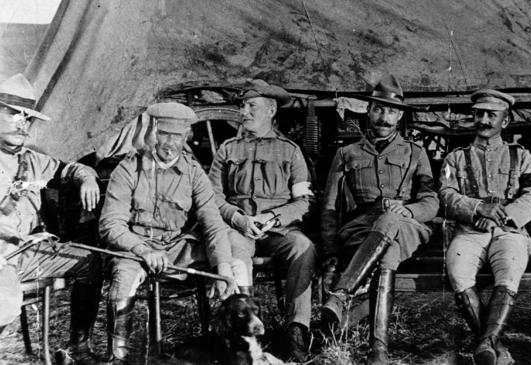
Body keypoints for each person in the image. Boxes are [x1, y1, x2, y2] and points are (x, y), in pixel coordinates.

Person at [99, 102, 241, 364]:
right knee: (124, 276)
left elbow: (212, 222)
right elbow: (111, 224)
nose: (171, 143)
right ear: (153, 132)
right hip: (136, 250)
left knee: (230, 257)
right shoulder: (128, 168)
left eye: (178, 136)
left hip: (176, 248)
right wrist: (143, 250)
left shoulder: (193, 171)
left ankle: (236, 348)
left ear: (187, 135)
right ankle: (117, 356)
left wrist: (223, 267)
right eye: (165, 134)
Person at [320, 75, 438, 365]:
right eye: (378, 109)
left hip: (409, 226)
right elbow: (329, 207)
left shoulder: (415, 153)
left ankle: (341, 295)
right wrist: (332, 253)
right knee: (390, 253)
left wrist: (408, 211)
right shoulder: (346, 153)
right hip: (361, 230)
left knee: (391, 221)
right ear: (368, 111)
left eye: (391, 111)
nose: (384, 118)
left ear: (399, 116)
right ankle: (378, 351)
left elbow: (431, 200)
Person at [208, 79, 317, 362]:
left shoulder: (290, 151)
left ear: (270, 110)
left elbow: (303, 200)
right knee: (233, 249)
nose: (243, 111)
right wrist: (239, 219)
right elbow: (213, 198)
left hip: (279, 229)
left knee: (304, 248)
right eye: (242, 105)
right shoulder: (227, 150)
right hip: (239, 228)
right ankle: (247, 335)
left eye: (251, 106)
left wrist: (272, 217)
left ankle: (296, 331)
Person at [0, 74, 103, 365]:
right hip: (1, 256)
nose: (22, 123)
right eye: (13, 114)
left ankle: (79, 349)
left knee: (89, 260)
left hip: (27, 253)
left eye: (27, 118)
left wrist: (87, 177)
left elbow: (68, 168)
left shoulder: (32, 160)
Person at [439, 89, 531, 365]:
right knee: (457, 271)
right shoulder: (455, 159)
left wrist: (502, 216)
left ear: (505, 121)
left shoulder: (520, 156)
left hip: (508, 231)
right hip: (469, 232)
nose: (484, 120)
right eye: (479, 114)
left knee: (510, 266)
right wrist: (477, 209)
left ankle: (484, 343)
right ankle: (495, 344)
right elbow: (446, 195)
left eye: (491, 115)